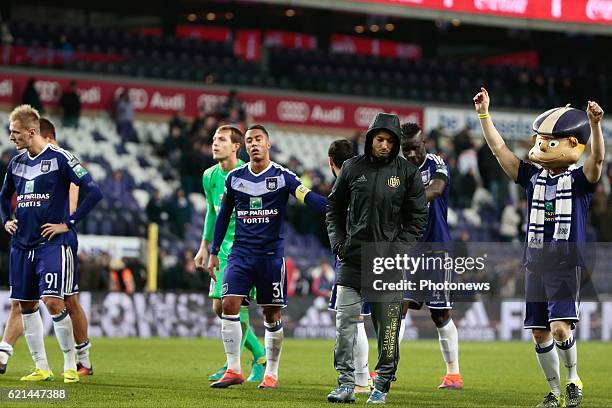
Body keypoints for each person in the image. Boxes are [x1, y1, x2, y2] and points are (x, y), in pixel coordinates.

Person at [474, 87, 605, 408]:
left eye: (551, 141)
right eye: (539, 140)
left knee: (560, 328)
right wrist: (483, 115)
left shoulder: (579, 180)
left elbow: (598, 158)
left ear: (574, 144)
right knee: (539, 333)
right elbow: (498, 149)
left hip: (565, 262)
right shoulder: (531, 175)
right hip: (535, 261)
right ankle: (553, 391)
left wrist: (596, 125)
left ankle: (573, 379)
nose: (541, 147)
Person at [207, 124, 326, 389]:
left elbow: (309, 199)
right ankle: (234, 368)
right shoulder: (234, 178)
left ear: (268, 144)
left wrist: (335, 206)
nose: (253, 144)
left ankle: (271, 372)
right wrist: (214, 251)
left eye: (258, 139)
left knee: (271, 314)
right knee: (228, 304)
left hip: (270, 257)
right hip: (240, 254)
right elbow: (223, 215)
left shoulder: (283, 176)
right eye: (249, 141)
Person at [326, 113, 428, 404]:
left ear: (396, 143)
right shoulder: (351, 167)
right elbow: (333, 208)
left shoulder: (407, 173)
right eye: (379, 139)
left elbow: (418, 217)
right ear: (370, 139)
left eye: (389, 141)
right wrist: (338, 243)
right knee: (345, 322)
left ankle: (381, 385)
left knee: (388, 330)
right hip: (352, 259)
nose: (384, 145)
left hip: (387, 264)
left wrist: (398, 252)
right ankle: (345, 384)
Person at [0, 105, 102, 383]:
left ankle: (72, 362)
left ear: (32, 132)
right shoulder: (16, 162)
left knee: (56, 300)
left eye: (15, 132)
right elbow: (2, 195)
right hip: (22, 244)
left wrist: (68, 223)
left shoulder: (61, 158)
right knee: (26, 304)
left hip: (52, 243)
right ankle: (41, 367)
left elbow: (94, 191)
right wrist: (5, 220)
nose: (11, 137)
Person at [193, 125, 266, 383]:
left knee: (232, 307)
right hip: (221, 250)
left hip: (244, 250)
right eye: (213, 139)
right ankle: (259, 354)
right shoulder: (209, 176)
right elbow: (213, 212)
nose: (215, 143)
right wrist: (204, 246)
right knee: (218, 307)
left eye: (221, 139)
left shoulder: (249, 174)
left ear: (236, 146)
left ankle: (233, 364)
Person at [400, 122, 462, 390]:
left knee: (440, 315)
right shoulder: (397, 169)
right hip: (408, 249)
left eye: (414, 148)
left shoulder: (436, 163)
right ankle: (385, 368)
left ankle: (453, 374)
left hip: (437, 249)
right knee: (397, 309)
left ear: (423, 142)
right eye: (406, 151)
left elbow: (435, 190)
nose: (411, 155)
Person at [325, 139, 373, 396]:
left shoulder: (343, 186)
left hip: (351, 259)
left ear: (330, 162)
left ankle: (361, 380)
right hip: (376, 254)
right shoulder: (366, 182)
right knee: (359, 321)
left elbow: (330, 212)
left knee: (352, 322)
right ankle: (363, 380)